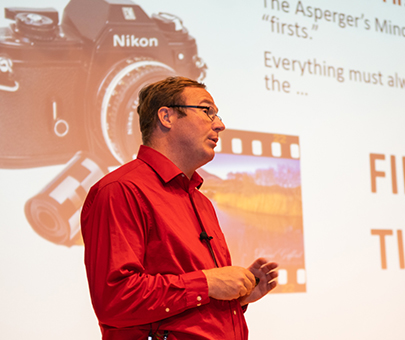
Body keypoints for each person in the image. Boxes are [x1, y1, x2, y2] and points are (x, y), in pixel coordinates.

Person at [81, 76, 278, 340]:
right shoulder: (121, 190)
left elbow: (190, 309)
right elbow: (115, 299)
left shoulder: (201, 201)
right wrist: (208, 283)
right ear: (167, 116)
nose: (220, 124)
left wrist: (236, 299)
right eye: (208, 111)